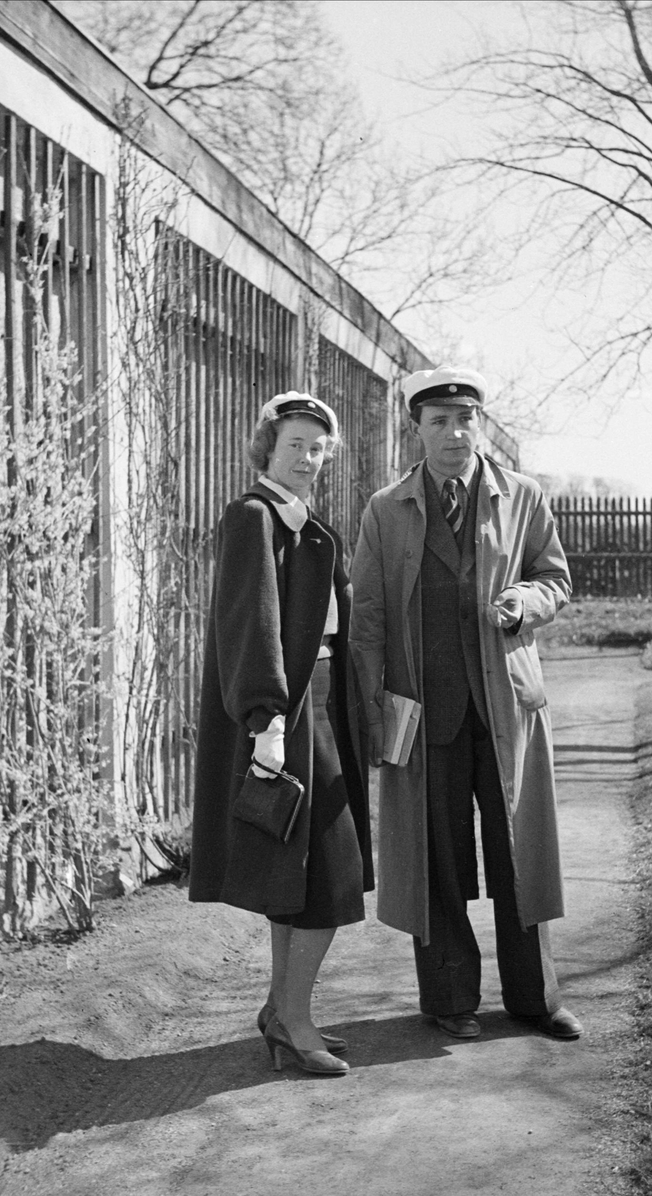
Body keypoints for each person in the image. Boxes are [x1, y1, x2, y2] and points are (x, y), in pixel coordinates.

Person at [350, 366, 581, 1041]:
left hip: (506, 705)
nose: (455, 432)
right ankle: (449, 1000)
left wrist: (525, 602)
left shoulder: (522, 497)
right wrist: (372, 719)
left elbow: (555, 578)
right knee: (439, 856)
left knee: (520, 854)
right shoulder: (384, 511)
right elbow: (366, 621)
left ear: (480, 423)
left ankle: (536, 1000)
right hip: (425, 718)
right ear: (416, 430)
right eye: (439, 421)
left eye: (466, 418)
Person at [189, 392, 372, 1077]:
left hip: (325, 707)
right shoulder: (253, 517)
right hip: (286, 715)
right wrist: (266, 718)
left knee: (302, 873)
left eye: (318, 447)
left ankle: (279, 1011)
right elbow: (251, 621)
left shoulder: (310, 523)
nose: (306, 457)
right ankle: (296, 1021)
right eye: (294, 443)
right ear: (267, 445)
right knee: (331, 870)